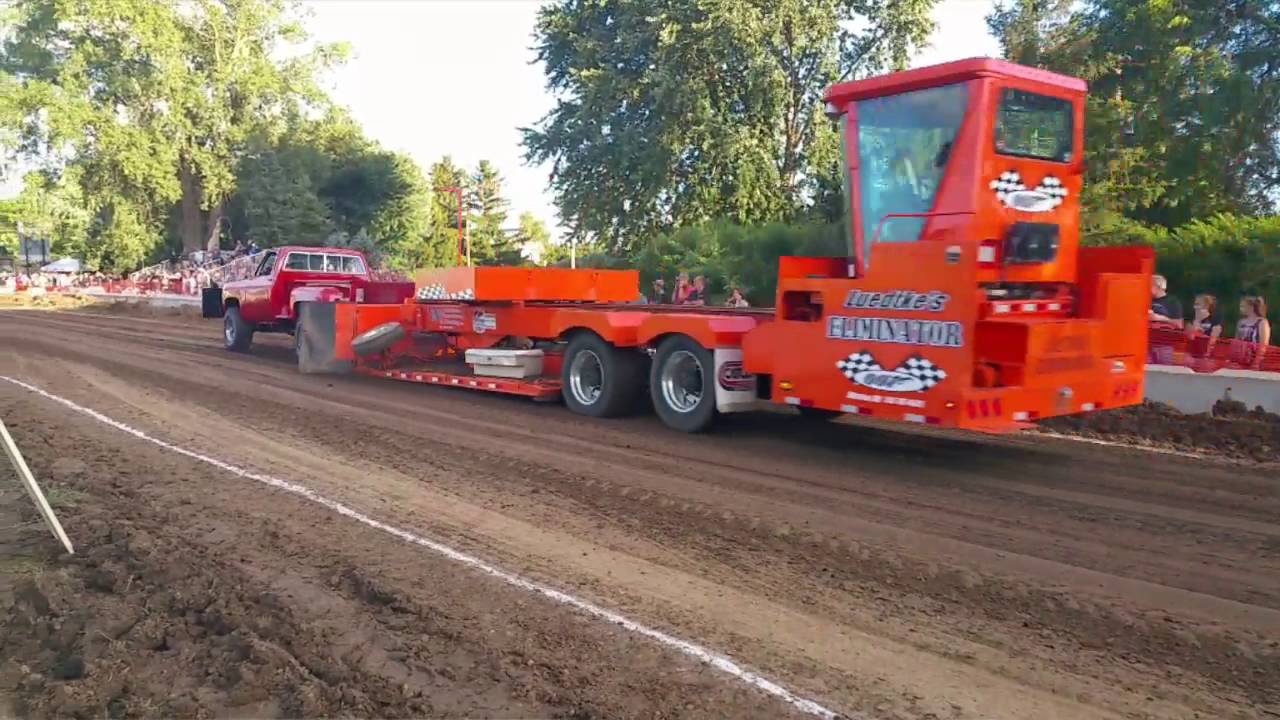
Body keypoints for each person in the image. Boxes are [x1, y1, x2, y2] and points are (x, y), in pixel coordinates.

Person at [1232, 296, 1271, 370]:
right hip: (1242, 358)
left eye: (1243, 306)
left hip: (1255, 358)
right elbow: (1236, 340)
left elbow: (1264, 344)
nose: (1240, 309)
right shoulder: (1241, 322)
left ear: (1251, 307)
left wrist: (1257, 361)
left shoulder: (1262, 322)